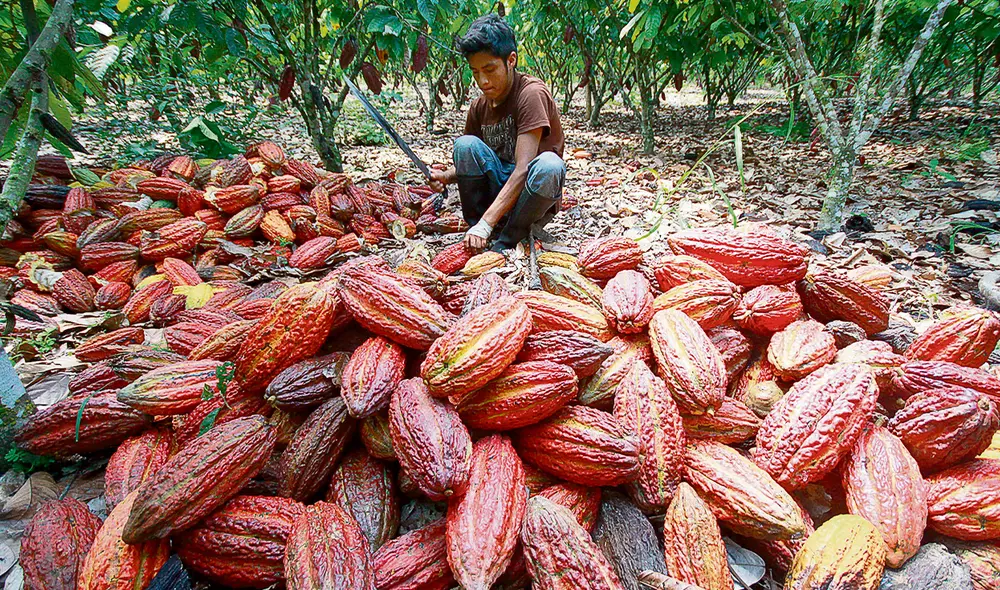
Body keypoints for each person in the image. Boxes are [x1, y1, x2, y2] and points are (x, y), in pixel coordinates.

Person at [428, 14, 565, 252]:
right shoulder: (480, 106)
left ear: (511, 60)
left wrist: (486, 223)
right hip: (498, 193)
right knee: (465, 145)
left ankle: (509, 238)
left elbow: (523, 169)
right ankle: (478, 234)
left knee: (550, 166)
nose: (483, 80)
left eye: (490, 70)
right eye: (475, 72)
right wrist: (446, 177)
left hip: (529, 195)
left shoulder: (530, 94)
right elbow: (475, 160)